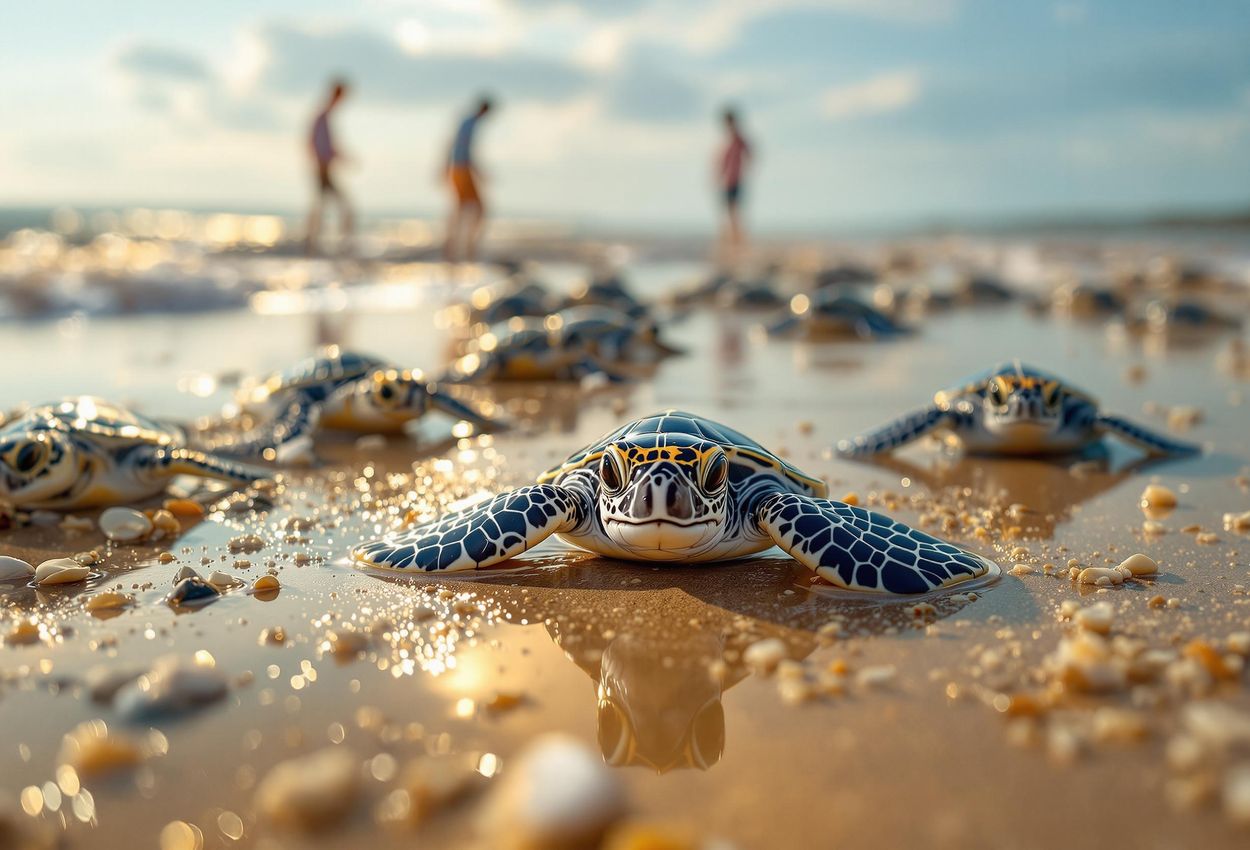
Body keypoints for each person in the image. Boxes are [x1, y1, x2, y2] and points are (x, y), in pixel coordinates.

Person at [443, 96, 494, 265]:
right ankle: (466, 249)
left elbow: (451, 144)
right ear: (484, 110)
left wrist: (445, 166)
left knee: (461, 209)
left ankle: (454, 248)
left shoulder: (466, 121)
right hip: (462, 170)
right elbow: (464, 149)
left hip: (458, 170)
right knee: (478, 209)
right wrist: (477, 172)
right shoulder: (470, 123)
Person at [305, 78, 354, 255]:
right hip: (323, 170)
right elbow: (316, 145)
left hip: (324, 169)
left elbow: (323, 146)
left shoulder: (324, 116)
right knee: (340, 206)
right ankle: (328, 246)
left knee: (322, 207)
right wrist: (322, 163)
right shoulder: (323, 117)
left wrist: (341, 157)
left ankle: (313, 246)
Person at [717, 106, 752, 262]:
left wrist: (742, 170)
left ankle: (737, 249)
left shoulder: (738, 138)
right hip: (727, 181)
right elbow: (723, 161)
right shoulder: (729, 139)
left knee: (734, 215)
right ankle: (732, 248)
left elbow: (749, 153)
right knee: (730, 215)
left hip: (735, 180)